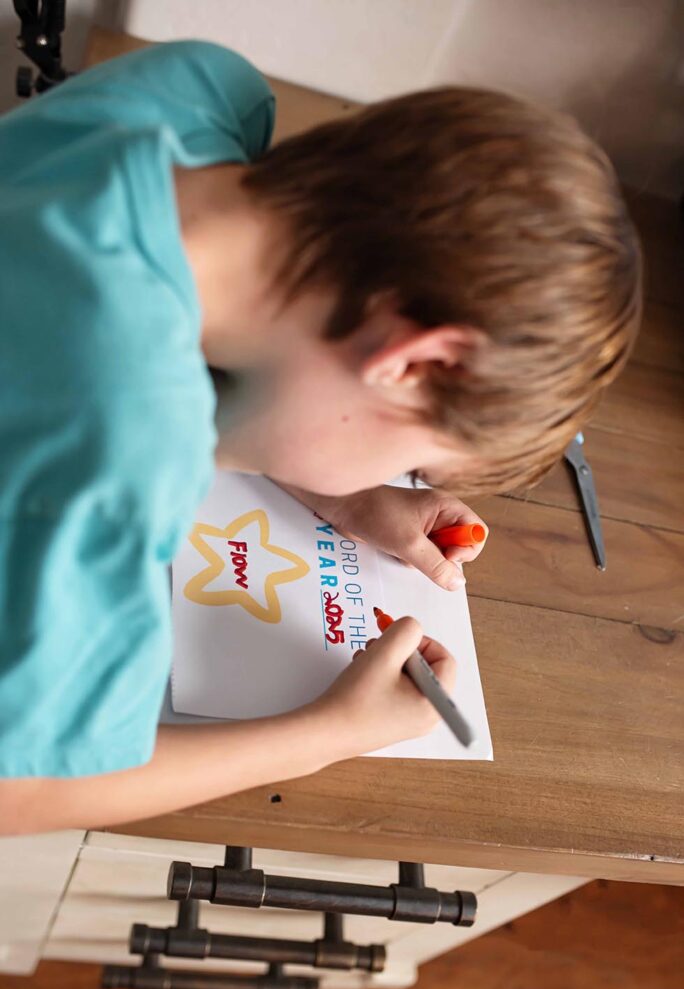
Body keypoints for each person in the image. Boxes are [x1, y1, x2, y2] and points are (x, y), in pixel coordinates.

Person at [0, 41, 641, 834]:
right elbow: (19, 788)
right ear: (412, 361)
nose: (398, 474)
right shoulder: (113, 462)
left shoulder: (201, 94)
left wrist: (345, 494)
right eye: (411, 460)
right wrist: (325, 734)